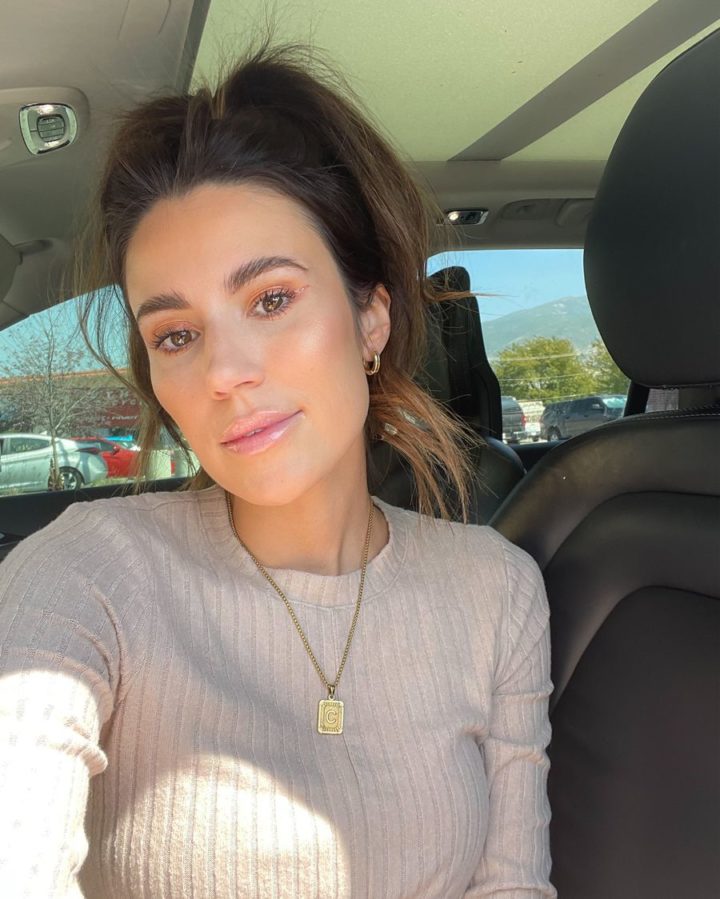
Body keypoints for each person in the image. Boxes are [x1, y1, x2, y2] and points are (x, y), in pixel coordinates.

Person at [0, 43, 556, 898]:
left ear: (371, 320)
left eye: (271, 299)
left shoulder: (497, 591)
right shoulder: (88, 573)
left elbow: (514, 885)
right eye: (176, 335)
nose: (224, 372)